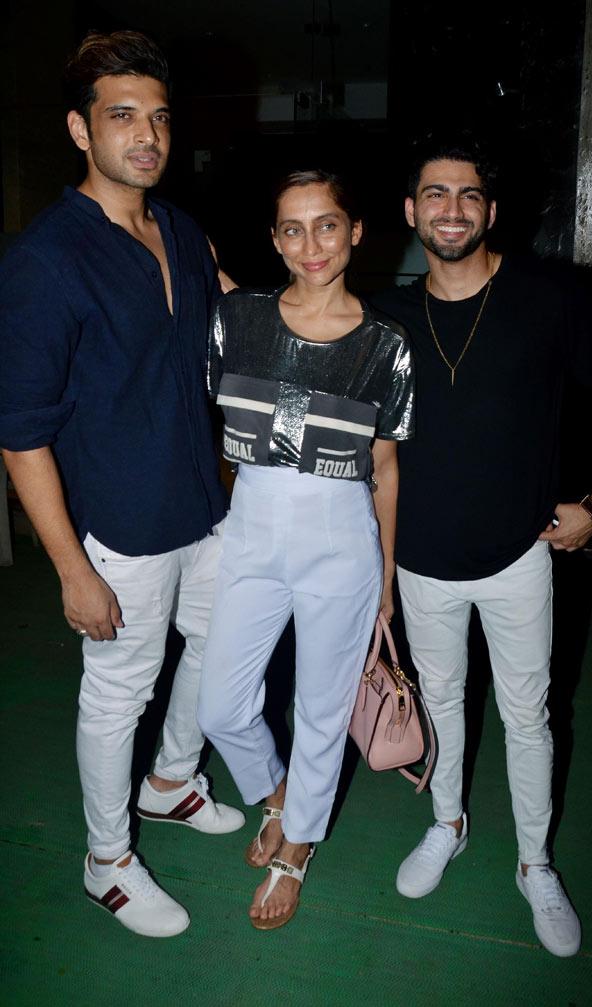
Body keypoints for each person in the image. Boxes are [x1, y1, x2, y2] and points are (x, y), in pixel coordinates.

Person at [370, 135, 592, 957]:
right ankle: (447, 822)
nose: (450, 209)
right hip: (420, 561)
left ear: (490, 211)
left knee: (527, 716)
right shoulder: (388, 313)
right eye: (434, 195)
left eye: (468, 195)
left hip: (520, 557)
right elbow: (291, 321)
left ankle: (534, 863)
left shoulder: (550, 296)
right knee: (443, 702)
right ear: (411, 211)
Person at [0, 31, 245, 939]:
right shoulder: (44, 262)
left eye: (158, 117)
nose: (147, 135)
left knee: (224, 652)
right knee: (118, 692)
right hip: (119, 526)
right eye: (122, 117)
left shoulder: (180, 229)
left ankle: (172, 780)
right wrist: (72, 569)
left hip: (205, 504)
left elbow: (231, 327)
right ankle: (106, 860)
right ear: (79, 129)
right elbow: (19, 433)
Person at [197, 169, 414, 930]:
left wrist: (385, 578)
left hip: (341, 538)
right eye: (292, 228)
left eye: (328, 225)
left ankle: (298, 844)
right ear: (274, 240)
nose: (310, 243)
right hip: (253, 525)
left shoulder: (387, 344)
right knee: (220, 702)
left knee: (321, 710)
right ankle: (278, 791)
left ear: (357, 232)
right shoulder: (239, 318)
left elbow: (385, 471)